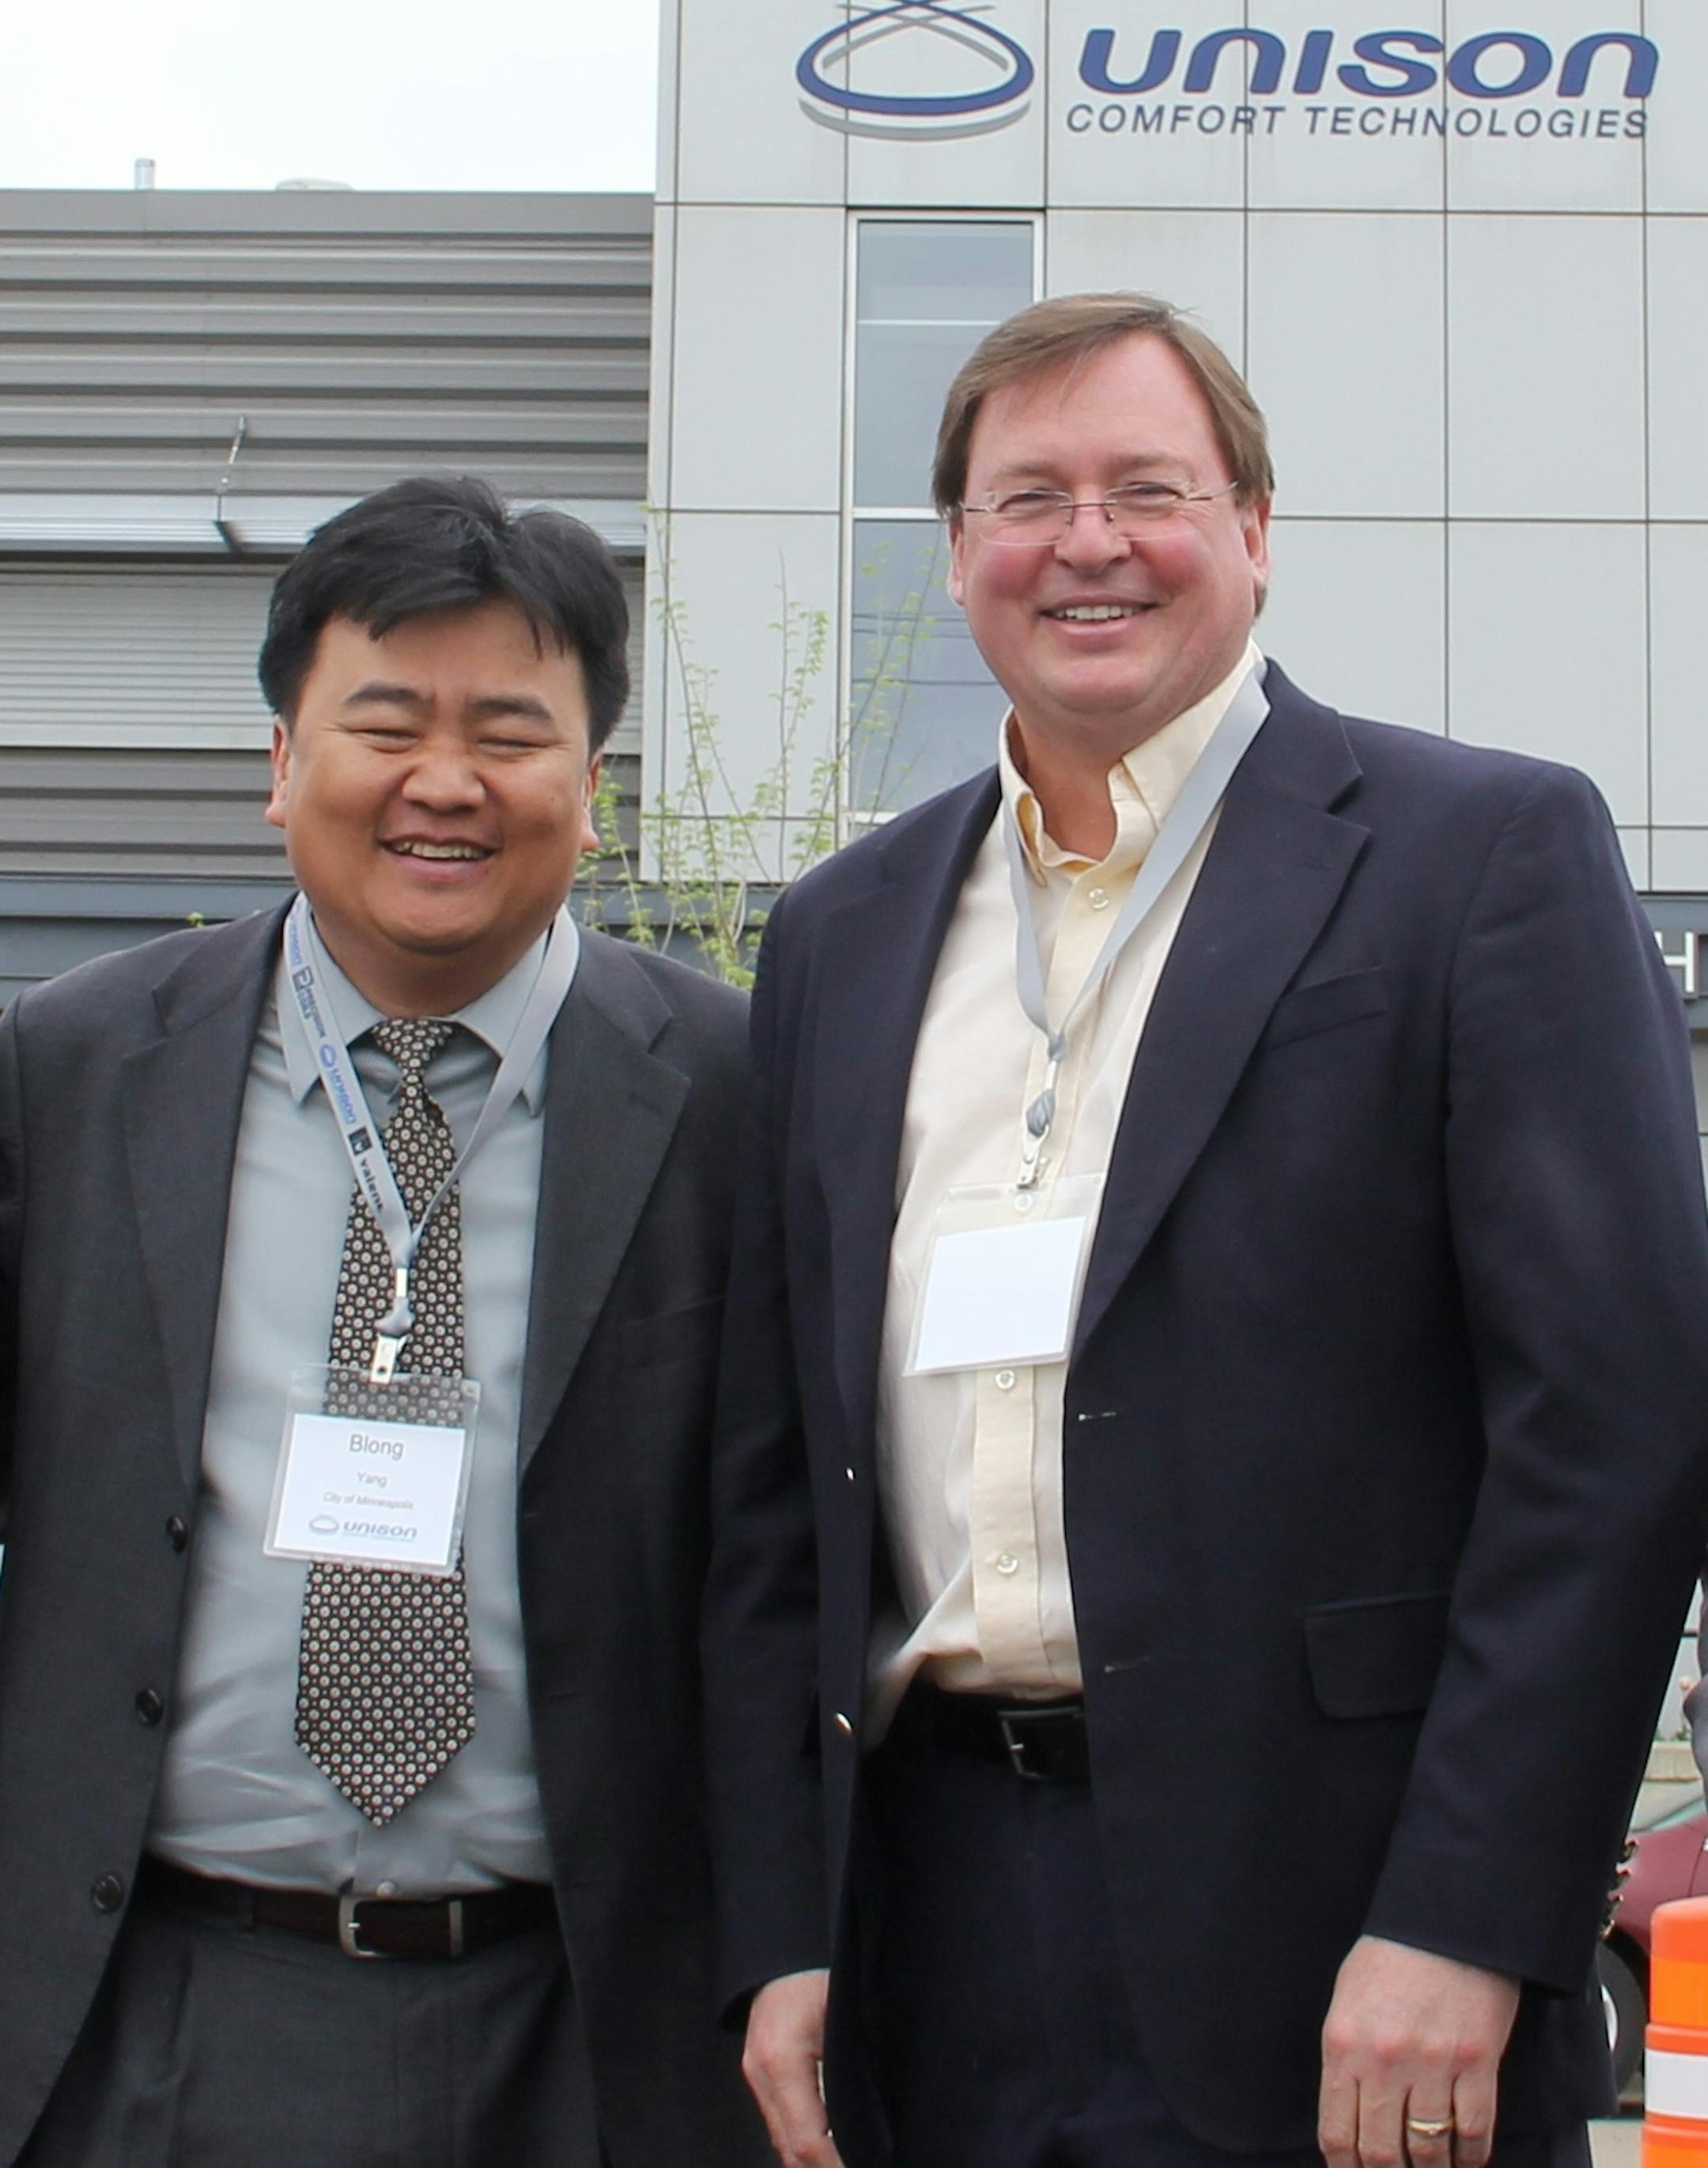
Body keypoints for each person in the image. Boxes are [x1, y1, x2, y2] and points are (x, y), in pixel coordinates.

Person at [701, 294, 1708, 2168]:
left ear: (1254, 529)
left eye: (1147, 488)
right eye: (1029, 498)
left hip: (1339, 1929)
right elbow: (781, 1484)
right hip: (920, 1915)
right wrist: (783, 1925)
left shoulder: (1476, 860)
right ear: (957, 553)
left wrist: (1472, 1917)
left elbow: (1618, 1434)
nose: (1087, 542)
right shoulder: (842, 932)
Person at [0, 475, 766, 2168]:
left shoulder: (739, 1098)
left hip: (594, 2023)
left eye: (510, 730)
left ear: (591, 786)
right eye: (386, 722)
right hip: (152, 2002)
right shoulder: (70, 1074)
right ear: (281, 768)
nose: (445, 781)